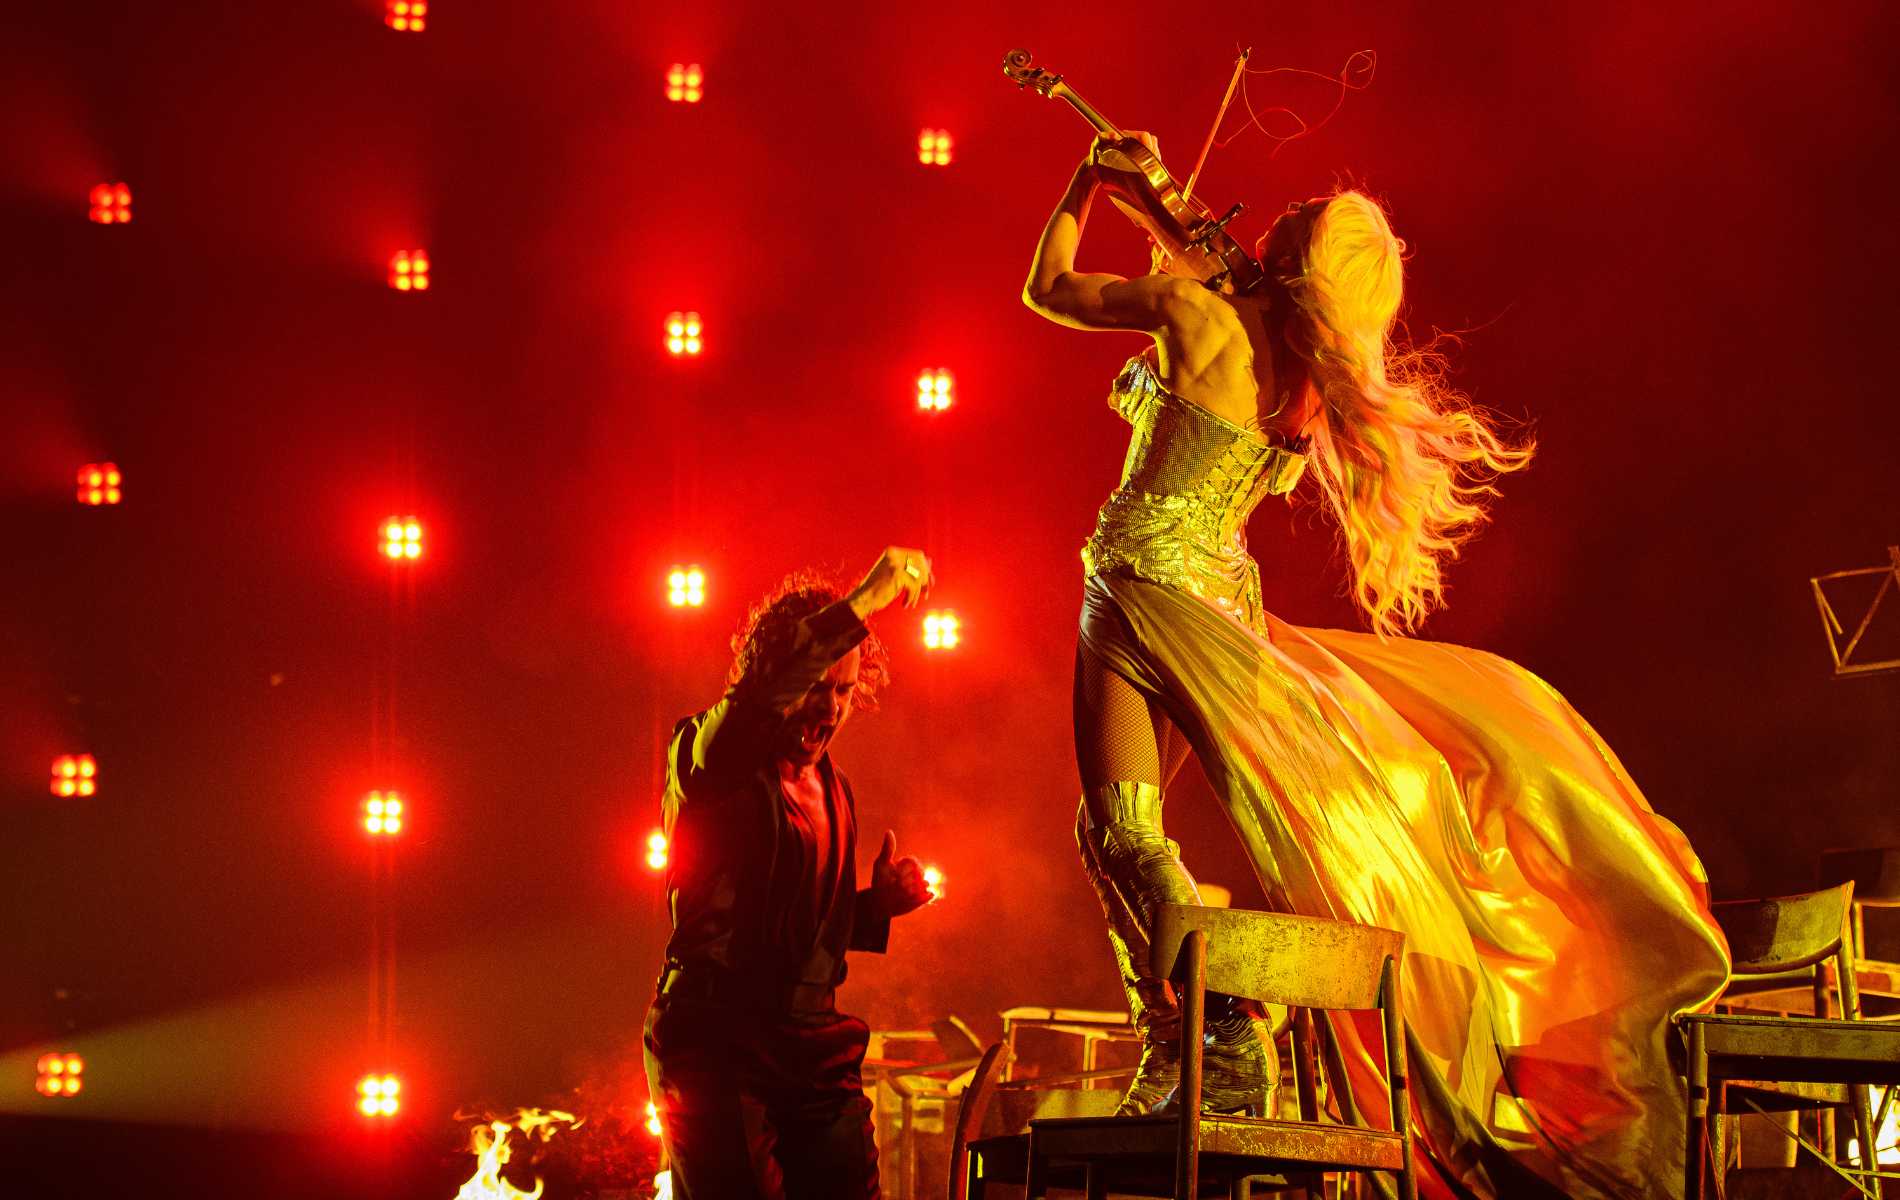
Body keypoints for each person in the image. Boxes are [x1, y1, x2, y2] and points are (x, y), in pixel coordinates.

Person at [1023, 133, 1730, 1198]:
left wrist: (1089, 183)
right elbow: (1234, 272)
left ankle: (1215, 1038)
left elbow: (1047, 289)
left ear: (1289, 253)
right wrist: (1160, 201)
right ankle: (1188, 1041)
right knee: (1119, 836)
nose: (1269, 214)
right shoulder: (1308, 379)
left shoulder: (1194, 314)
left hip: (1134, 595)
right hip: (1225, 619)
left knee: (1120, 835)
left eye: (1289, 215)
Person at [643, 547, 937, 1200]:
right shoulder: (707, 755)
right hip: (718, 1040)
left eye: (843, 690)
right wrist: (861, 602)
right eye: (814, 686)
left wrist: (873, 907)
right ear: (776, 673)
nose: (830, 709)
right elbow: (753, 707)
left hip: (816, 1048)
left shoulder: (836, 789)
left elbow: (801, 932)